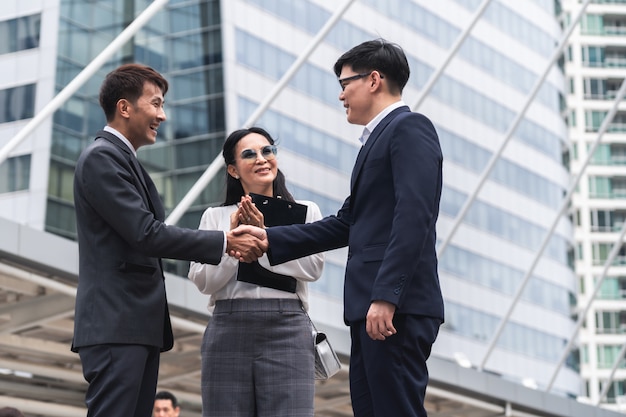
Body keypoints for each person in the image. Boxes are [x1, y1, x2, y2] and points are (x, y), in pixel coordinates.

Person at [234, 39, 444, 417]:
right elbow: (346, 223)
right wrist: (269, 238)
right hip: (370, 307)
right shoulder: (376, 141)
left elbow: (415, 215)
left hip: (394, 306)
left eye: (346, 83)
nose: (341, 95)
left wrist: (387, 296)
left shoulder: (409, 128)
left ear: (374, 80)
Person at [71, 63, 265, 417]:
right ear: (124, 108)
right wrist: (224, 241)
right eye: (156, 104)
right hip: (117, 324)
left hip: (132, 325)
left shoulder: (123, 161)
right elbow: (146, 233)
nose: (163, 115)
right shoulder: (103, 159)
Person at [188, 127, 324, 417]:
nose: (262, 159)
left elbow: (313, 268)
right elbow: (203, 281)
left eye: (267, 151)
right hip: (228, 324)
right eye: (249, 154)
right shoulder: (216, 216)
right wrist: (231, 241)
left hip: (287, 326)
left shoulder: (304, 211)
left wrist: (266, 237)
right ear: (233, 170)